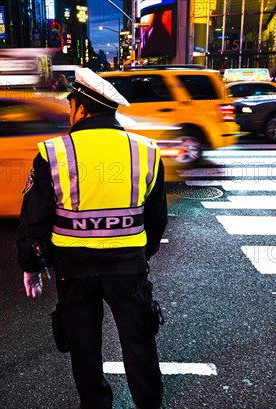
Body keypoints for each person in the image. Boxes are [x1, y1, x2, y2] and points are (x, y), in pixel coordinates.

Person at [17, 67, 167, 409]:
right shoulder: (146, 150)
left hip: (73, 267)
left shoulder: (53, 152)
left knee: (84, 345)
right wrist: (142, 253)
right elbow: (156, 218)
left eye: (72, 104)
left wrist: (32, 265)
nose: (69, 111)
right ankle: (149, 402)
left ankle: (97, 404)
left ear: (82, 107)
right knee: (139, 338)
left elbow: (34, 217)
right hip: (128, 265)